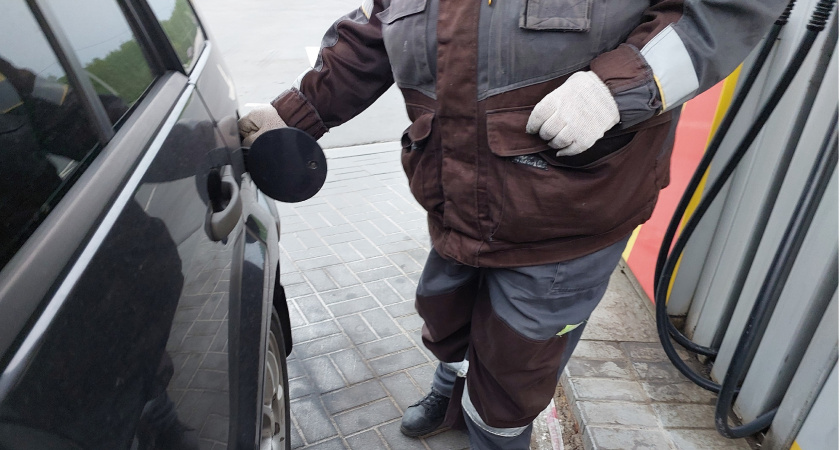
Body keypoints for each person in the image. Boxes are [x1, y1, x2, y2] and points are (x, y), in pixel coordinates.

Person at [239, 1, 789, 448]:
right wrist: (292, 113)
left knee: (515, 364)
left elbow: (723, 10)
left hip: (569, 213)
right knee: (444, 309)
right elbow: (375, 32)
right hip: (455, 201)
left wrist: (620, 86)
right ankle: (451, 390)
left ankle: (498, 436)